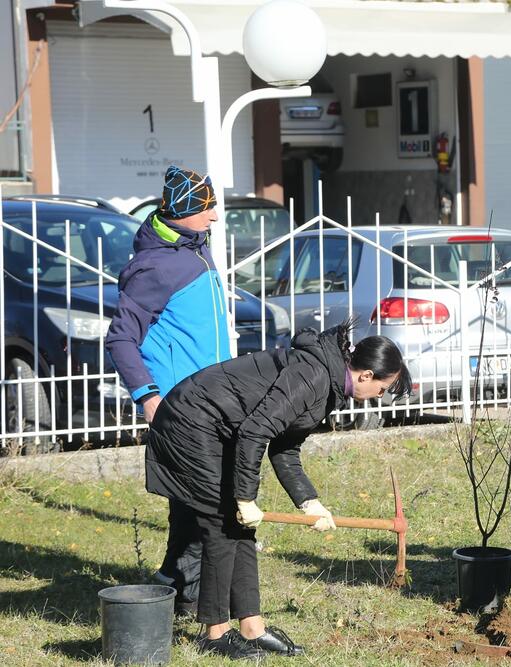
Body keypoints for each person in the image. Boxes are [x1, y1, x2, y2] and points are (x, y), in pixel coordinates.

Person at [145, 324, 411, 659]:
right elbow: (257, 431)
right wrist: (244, 497)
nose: (379, 396)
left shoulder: (327, 384)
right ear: (366, 375)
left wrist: (309, 501)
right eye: (382, 388)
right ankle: (214, 633)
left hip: (217, 426)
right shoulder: (313, 375)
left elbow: (283, 448)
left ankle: (252, 627)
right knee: (221, 523)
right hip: (191, 422)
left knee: (240, 525)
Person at [106, 165, 229, 616]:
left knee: (191, 508)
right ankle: (193, 600)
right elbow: (121, 338)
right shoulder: (156, 266)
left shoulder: (194, 248)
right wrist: (148, 397)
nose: (215, 216)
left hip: (214, 400)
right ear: (181, 211)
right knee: (207, 506)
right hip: (182, 406)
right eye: (206, 208)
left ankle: (173, 588)